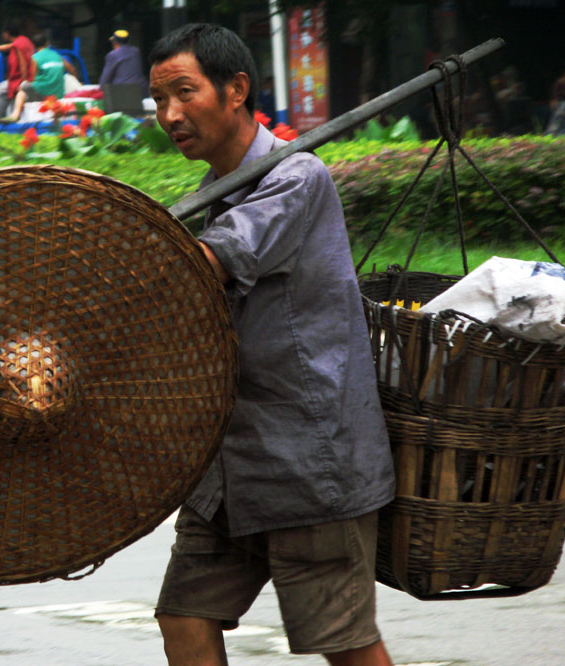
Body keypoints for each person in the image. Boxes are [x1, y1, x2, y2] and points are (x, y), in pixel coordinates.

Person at [148, 23, 396, 666]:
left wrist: (118, 249)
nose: (169, 115)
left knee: (343, 645)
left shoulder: (296, 178)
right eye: (158, 101)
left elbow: (209, 262)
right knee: (184, 617)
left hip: (308, 463)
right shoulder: (209, 194)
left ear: (236, 90)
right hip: (230, 466)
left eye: (183, 92)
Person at [0, 33, 66, 123]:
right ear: (47, 43)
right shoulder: (57, 55)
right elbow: (72, 69)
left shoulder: (35, 58)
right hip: (59, 92)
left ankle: (15, 114)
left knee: (22, 89)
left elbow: (33, 78)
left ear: (34, 46)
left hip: (44, 91)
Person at [0, 21, 35, 124]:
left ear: (7, 33)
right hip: (25, 78)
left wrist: (23, 84)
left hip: (21, 80)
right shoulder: (24, 40)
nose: (3, 35)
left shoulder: (18, 45)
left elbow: (23, 66)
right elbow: (8, 46)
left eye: (3, 33)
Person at [99, 29, 147, 97]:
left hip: (122, 91)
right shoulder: (136, 51)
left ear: (114, 42)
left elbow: (106, 77)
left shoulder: (112, 55)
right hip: (140, 89)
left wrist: (101, 88)